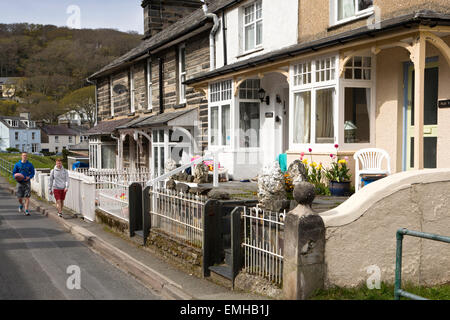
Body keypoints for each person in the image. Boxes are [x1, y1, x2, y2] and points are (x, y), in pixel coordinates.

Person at [12, 152, 35, 216]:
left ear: (27, 157)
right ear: (21, 156)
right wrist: (16, 177)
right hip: (19, 182)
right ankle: (21, 204)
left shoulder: (30, 164)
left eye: (26, 156)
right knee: (19, 197)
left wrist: (29, 177)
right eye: (23, 155)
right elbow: (14, 173)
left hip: (27, 182)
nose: (24, 156)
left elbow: (32, 173)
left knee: (27, 197)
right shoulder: (17, 164)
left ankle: (26, 210)